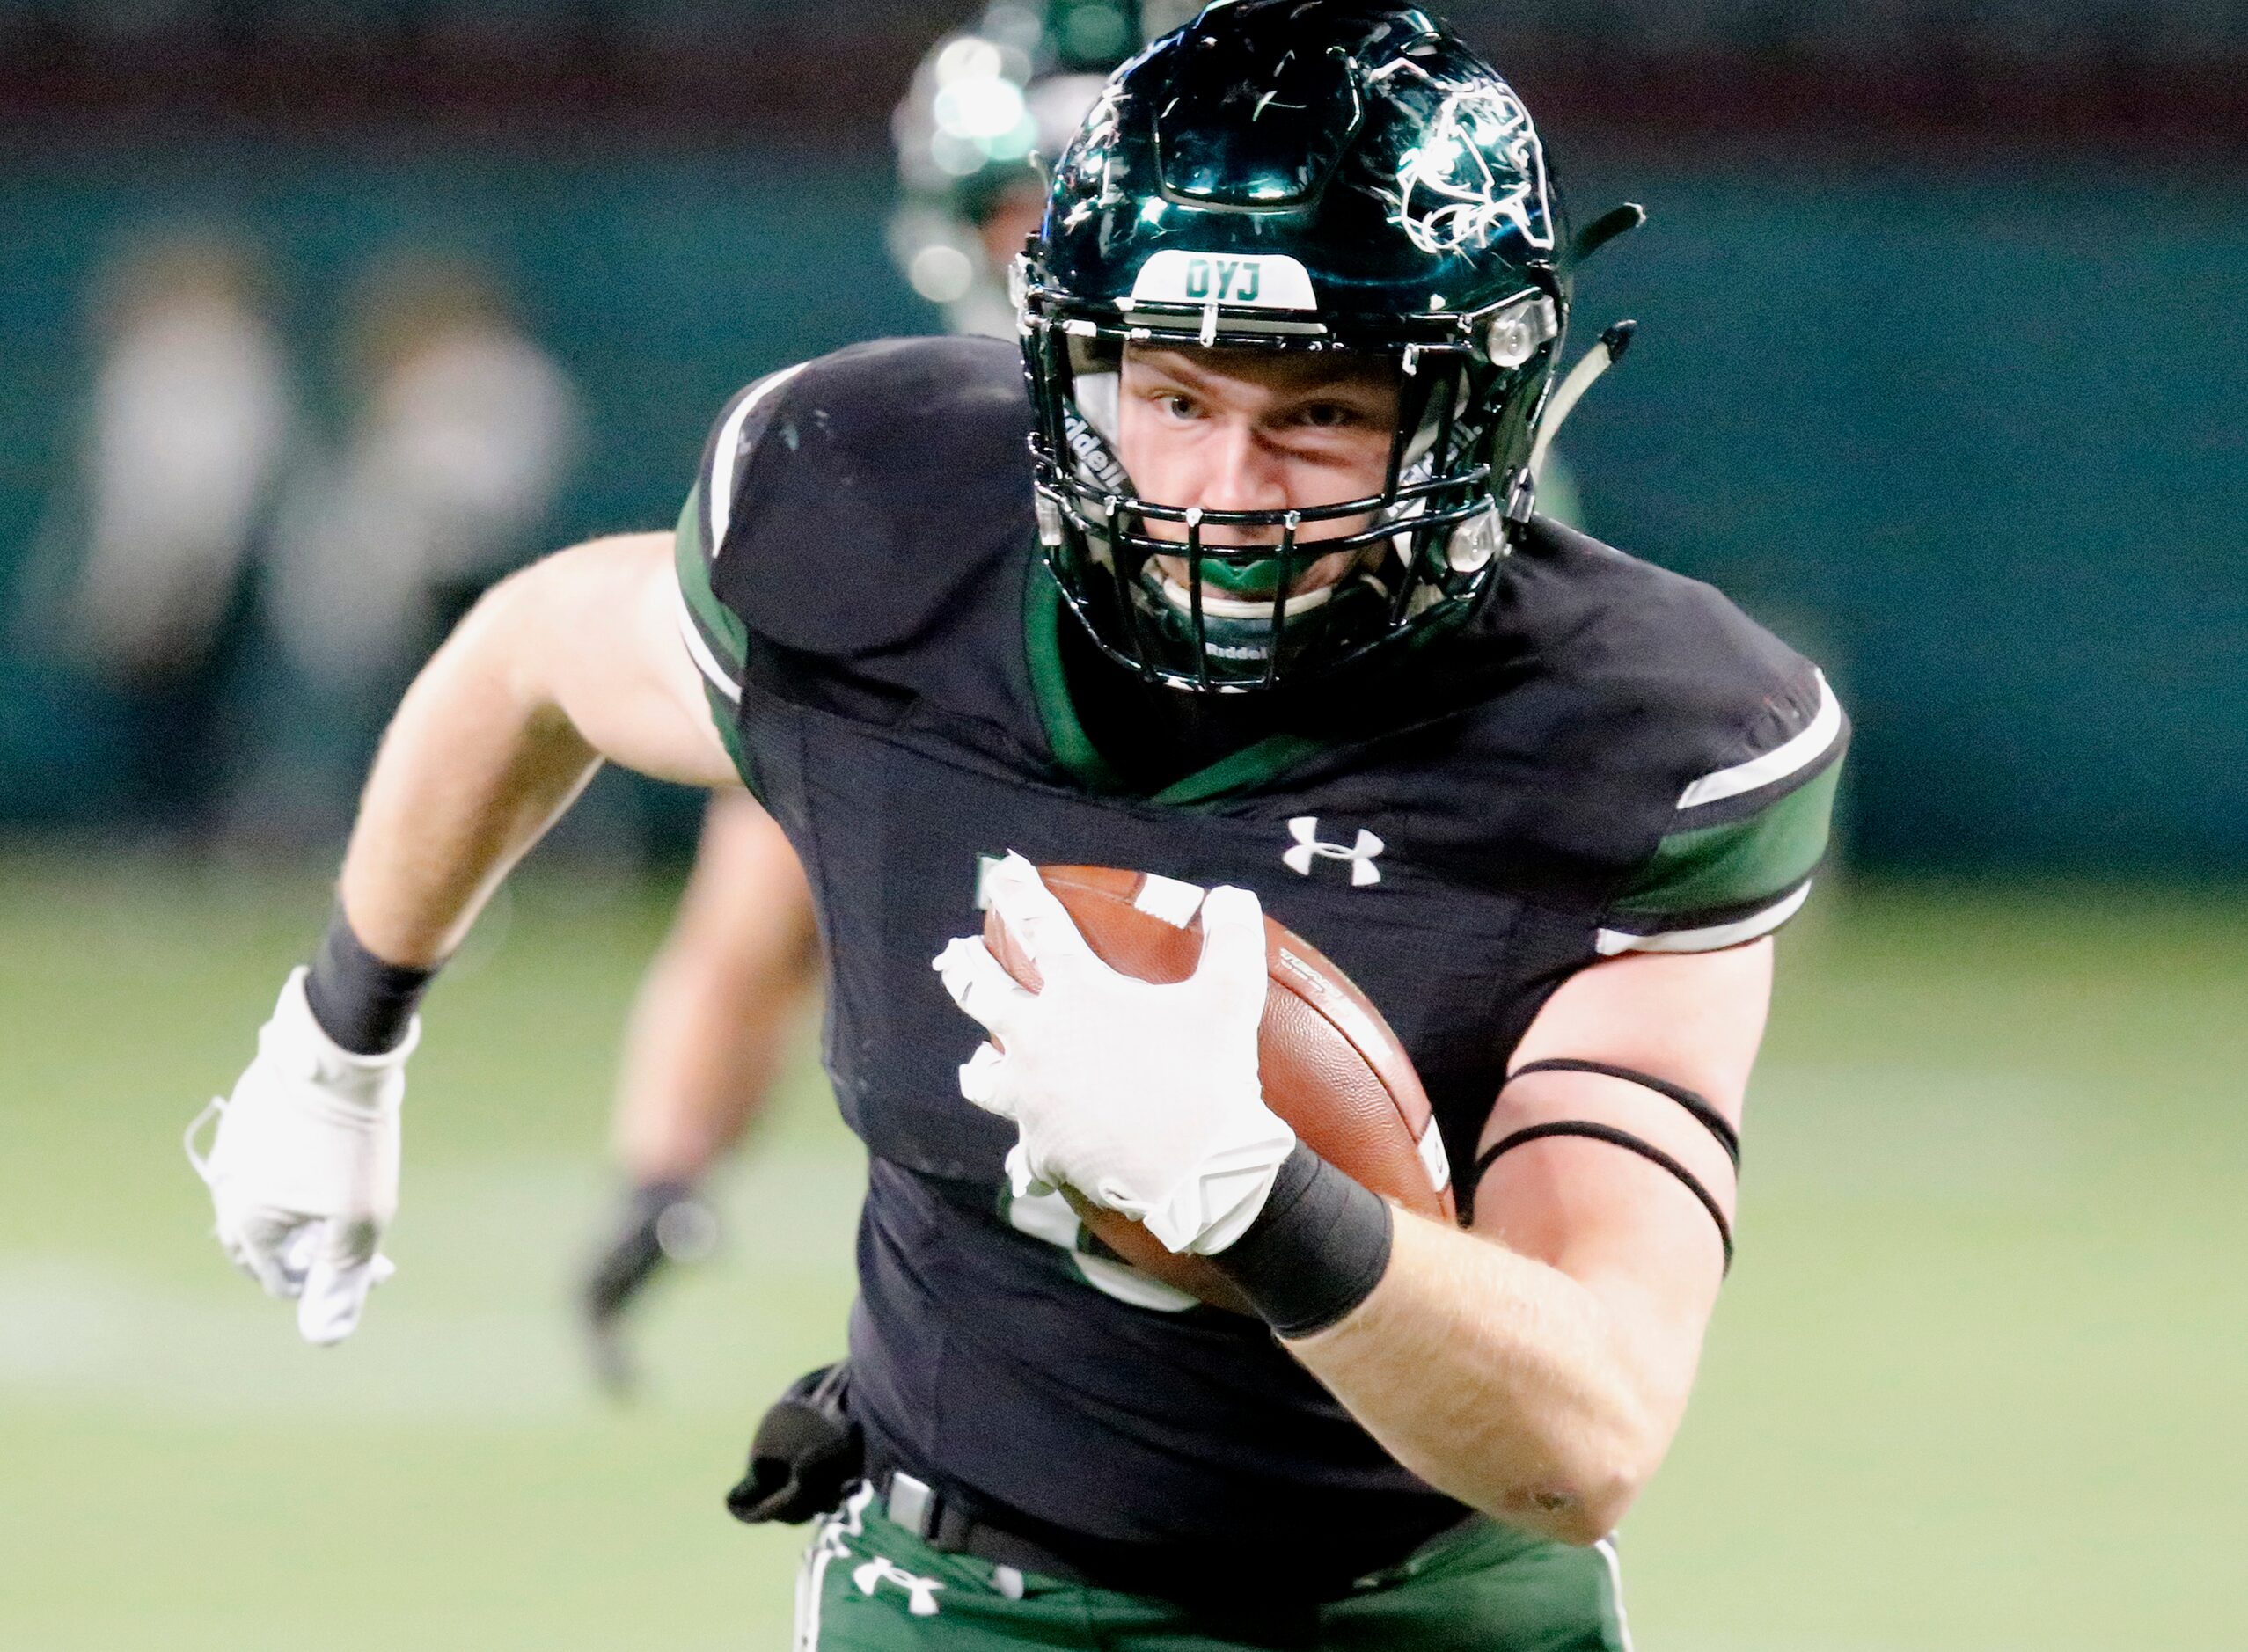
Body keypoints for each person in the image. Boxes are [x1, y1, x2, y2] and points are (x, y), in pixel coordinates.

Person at [188, 4, 1848, 1647]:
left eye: (1318, 415)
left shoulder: (1634, 740)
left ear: (1474, 403)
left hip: (1423, 1610)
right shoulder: (883, 528)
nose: (1219, 487)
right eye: (1173, 396)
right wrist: (341, 1035)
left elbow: (1586, 1437)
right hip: (955, 1596)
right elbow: (532, 654)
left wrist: (1250, 1189)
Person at [577, 0, 1167, 1387]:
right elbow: (757, 889)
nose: (1053, 255)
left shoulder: (1329, 464)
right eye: (1023, 211)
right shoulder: (907, 478)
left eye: (1091, 210)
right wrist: (662, 1174)